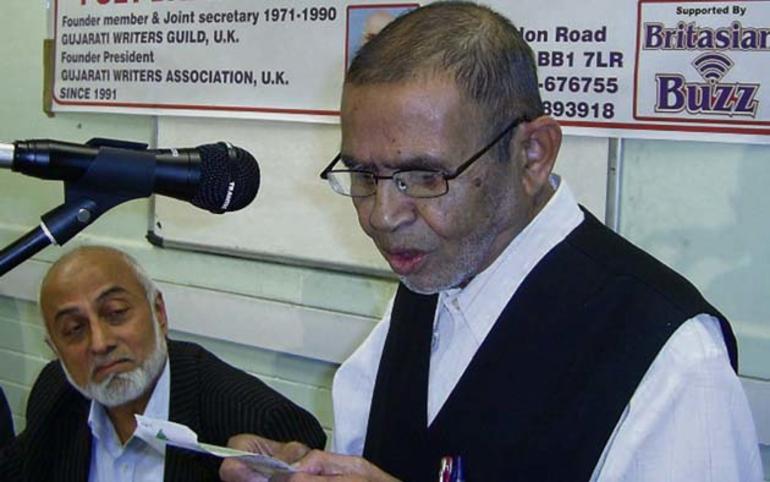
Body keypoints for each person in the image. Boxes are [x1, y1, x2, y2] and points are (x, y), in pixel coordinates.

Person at [222, 2, 762, 481]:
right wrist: (306, 468)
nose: (382, 216)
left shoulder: (670, 358)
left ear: (532, 155)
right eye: (364, 175)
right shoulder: (430, 283)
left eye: (426, 177)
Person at [0, 245, 326, 481]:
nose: (99, 343)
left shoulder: (260, 421)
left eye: (116, 313)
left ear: (159, 313)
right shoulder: (55, 393)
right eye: (74, 329)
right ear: (56, 350)